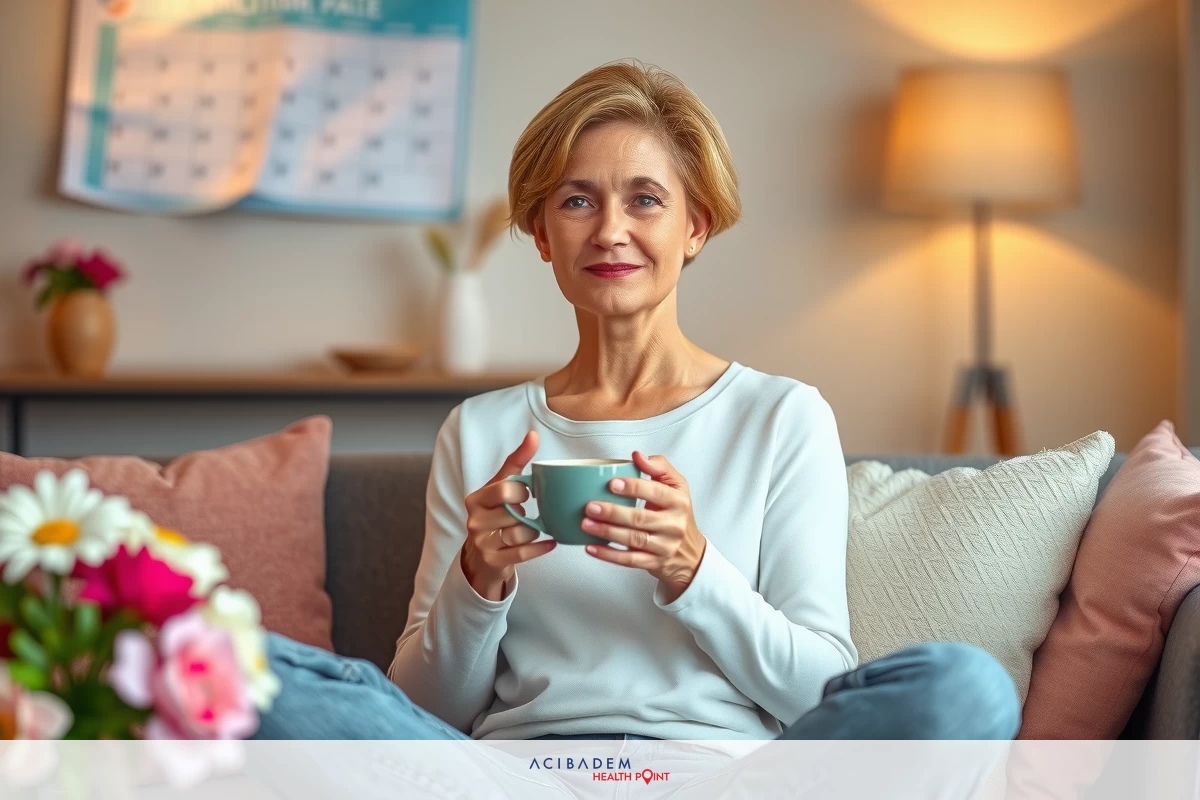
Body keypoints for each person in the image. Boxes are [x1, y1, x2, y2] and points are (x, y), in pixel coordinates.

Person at [255, 59, 1019, 766]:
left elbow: (818, 689)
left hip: (718, 781)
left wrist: (693, 569)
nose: (610, 230)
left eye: (645, 199)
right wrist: (476, 579)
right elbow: (424, 712)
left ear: (695, 227)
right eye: (578, 201)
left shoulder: (781, 417)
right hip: (518, 781)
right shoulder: (481, 431)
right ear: (543, 236)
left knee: (964, 685)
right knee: (245, 670)